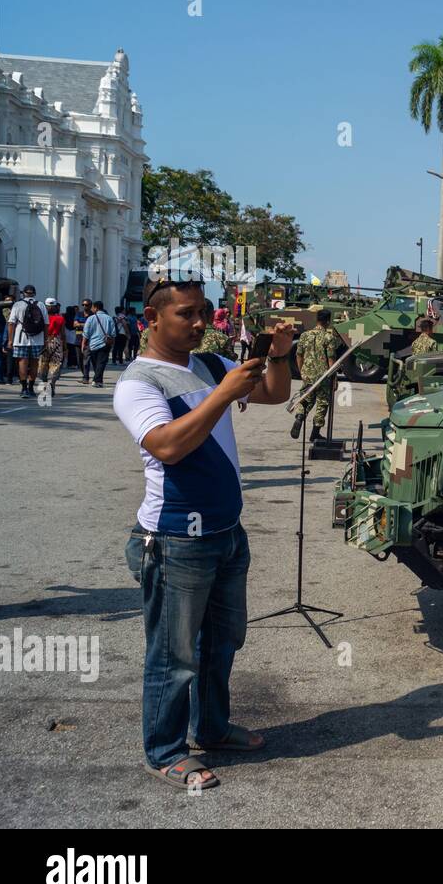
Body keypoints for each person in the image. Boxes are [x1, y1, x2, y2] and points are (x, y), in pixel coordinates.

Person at [114, 276, 293, 790]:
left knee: (223, 642)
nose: (199, 323)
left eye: (203, 313)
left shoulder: (210, 364)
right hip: (175, 539)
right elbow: (168, 447)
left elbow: (275, 396)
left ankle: (212, 727)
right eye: (186, 314)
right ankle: (165, 750)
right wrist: (222, 395)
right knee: (175, 655)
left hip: (225, 531)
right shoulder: (137, 383)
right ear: (153, 319)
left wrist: (278, 356)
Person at [291, 308, 342, 440]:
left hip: (307, 374)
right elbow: (331, 359)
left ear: (317, 320)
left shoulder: (305, 335)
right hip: (323, 377)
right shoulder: (329, 337)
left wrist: (302, 371)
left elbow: (299, 355)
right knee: (322, 403)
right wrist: (334, 378)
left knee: (306, 399)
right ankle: (315, 433)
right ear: (328, 321)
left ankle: (300, 417)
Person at [6, 285, 49, 399]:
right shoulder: (41, 305)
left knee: (22, 363)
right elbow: (46, 324)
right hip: (37, 339)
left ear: (23, 293)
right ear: (34, 293)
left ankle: (24, 389)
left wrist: (10, 340)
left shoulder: (18, 304)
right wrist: (45, 340)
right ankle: (31, 388)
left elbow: (11, 323)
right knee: (34, 364)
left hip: (21, 340)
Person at [36, 298, 66, 398]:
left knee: (43, 364)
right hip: (56, 341)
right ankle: (51, 383)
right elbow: (63, 334)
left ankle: (45, 383)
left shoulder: (42, 317)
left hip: (44, 341)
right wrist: (65, 348)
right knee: (55, 364)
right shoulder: (60, 318)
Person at [82, 300, 116, 387]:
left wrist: (83, 344)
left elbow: (86, 333)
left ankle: (96, 380)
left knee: (96, 363)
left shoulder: (90, 318)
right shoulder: (109, 318)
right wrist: (112, 343)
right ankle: (98, 380)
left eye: (92, 307)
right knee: (101, 363)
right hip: (105, 344)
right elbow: (113, 333)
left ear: (96, 308)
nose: (91, 309)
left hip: (93, 344)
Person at [75, 299, 92, 381]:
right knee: (79, 360)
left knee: (86, 359)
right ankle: (84, 374)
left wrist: (80, 324)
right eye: (83, 305)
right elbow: (75, 324)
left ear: (90, 305)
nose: (85, 306)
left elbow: (92, 326)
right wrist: (86, 325)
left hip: (89, 340)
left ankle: (86, 377)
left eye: (87, 305)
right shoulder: (79, 314)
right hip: (78, 339)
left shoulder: (93, 315)